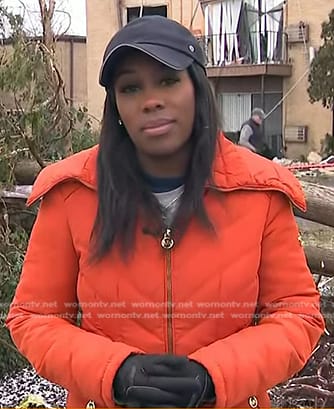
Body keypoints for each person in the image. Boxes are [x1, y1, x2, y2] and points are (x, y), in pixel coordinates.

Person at [6, 15, 325, 409]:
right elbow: (33, 318)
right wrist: (113, 372)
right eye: (131, 87)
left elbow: (297, 316)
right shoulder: (71, 193)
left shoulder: (259, 191)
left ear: (198, 88)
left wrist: (215, 376)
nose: (150, 99)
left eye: (168, 80)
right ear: (117, 106)